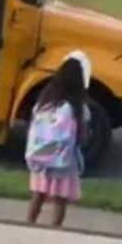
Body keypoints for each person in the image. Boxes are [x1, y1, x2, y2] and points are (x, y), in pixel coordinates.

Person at [25, 53, 91, 227]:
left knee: (37, 196)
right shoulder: (77, 106)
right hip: (64, 162)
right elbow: (81, 137)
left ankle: (28, 225)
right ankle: (54, 230)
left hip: (41, 155)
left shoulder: (44, 101)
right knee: (60, 201)